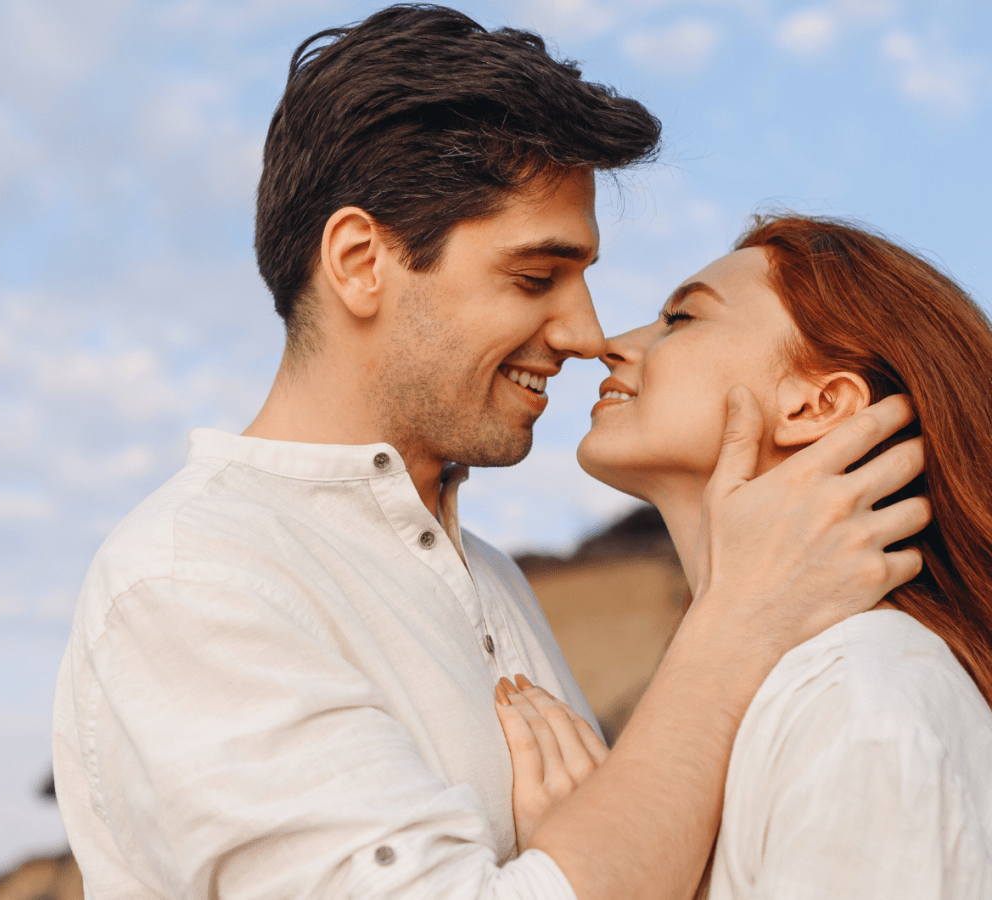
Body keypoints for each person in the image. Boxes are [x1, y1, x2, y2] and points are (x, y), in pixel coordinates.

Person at [51, 7, 929, 899]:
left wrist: (578, 845)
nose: (586, 333)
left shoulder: (494, 581)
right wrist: (735, 627)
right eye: (535, 278)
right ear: (360, 261)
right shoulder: (192, 580)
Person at [497, 214, 992, 897]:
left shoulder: (860, 702)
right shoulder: (771, 702)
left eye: (682, 318)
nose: (609, 345)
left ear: (817, 404)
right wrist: (606, 852)